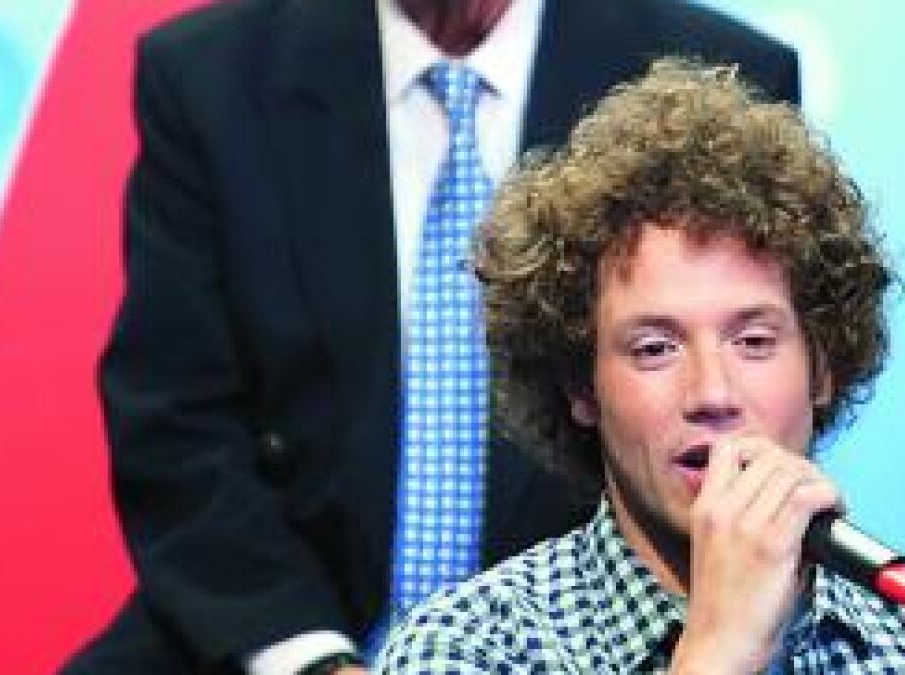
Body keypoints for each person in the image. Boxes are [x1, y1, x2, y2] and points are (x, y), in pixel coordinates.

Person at [63, 1, 801, 673]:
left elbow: (735, 426)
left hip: (589, 639)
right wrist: (313, 661)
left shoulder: (710, 73)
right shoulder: (213, 77)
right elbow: (176, 425)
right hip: (283, 628)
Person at [375, 60, 905, 673]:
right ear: (580, 385)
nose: (712, 392)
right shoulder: (470, 649)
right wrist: (720, 648)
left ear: (822, 365)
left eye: (753, 341)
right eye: (655, 348)